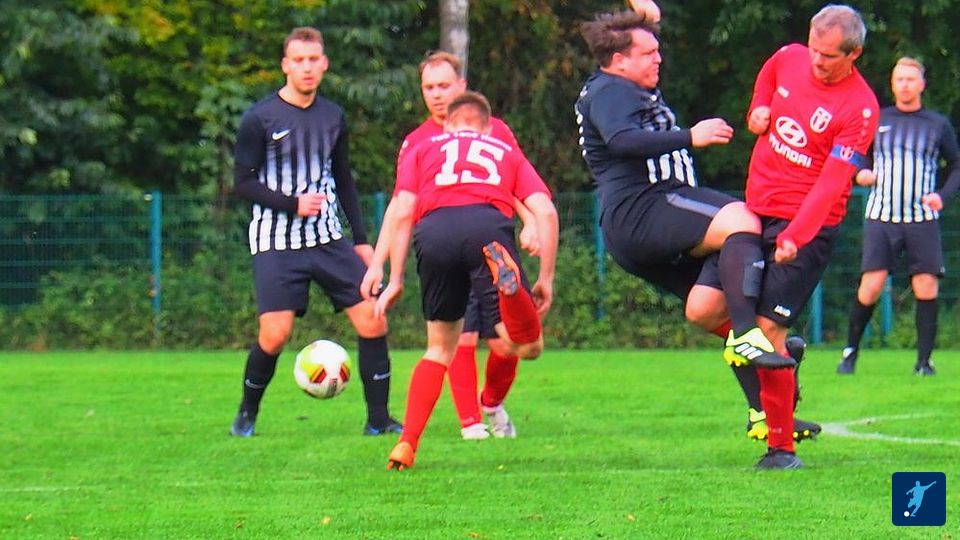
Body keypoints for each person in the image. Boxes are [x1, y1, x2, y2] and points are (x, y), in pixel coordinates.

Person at [576, 10, 812, 448]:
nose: (658, 58)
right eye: (648, 53)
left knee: (709, 308)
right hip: (646, 206)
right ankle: (749, 337)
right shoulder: (610, 89)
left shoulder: (623, 82)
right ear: (618, 60)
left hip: (642, 221)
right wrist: (690, 136)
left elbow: (645, 19)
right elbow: (621, 140)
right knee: (743, 219)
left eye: (657, 50)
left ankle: (763, 411)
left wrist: (642, 18)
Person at [693, 4, 879, 468]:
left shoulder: (860, 108)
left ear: (853, 54)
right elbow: (771, 73)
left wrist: (797, 234)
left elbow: (833, 183)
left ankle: (782, 450)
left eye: (828, 56)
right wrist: (758, 107)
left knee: (765, 331)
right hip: (753, 214)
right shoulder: (790, 56)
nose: (816, 61)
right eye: (814, 49)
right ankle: (780, 363)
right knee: (702, 309)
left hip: (805, 230)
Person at [361, 91, 559, 470]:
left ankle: (407, 443)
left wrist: (394, 276)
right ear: (488, 127)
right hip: (487, 227)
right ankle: (511, 292)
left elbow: (402, 210)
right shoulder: (504, 149)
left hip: (434, 231)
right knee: (528, 345)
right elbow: (546, 212)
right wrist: (546, 278)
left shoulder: (423, 148)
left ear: (448, 126)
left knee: (438, 348)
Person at [229, 27, 400, 438]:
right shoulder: (259, 118)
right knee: (275, 335)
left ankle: (378, 421)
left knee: (372, 319)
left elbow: (344, 180)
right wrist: (292, 204)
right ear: (285, 66)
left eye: (313, 60)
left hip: (327, 239)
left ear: (323, 64)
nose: (306, 67)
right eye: (298, 60)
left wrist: (361, 241)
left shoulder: (333, 117)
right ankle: (246, 416)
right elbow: (242, 183)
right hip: (275, 242)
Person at [396, 51, 541, 440]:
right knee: (461, 335)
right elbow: (403, 203)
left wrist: (529, 221)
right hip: (455, 241)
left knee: (503, 344)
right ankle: (470, 422)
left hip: (480, 242)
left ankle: (491, 402)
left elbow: (511, 183)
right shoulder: (416, 142)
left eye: (444, 85)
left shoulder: (493, 129)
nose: (436, 94)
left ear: (461, 86)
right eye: (429, 87)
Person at [837, 57, 959, 376]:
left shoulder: (937, 124)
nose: (905, 85)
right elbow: (857, 155)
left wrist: (942, 196)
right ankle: (849, 353)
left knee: (926, 285)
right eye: (899, 79)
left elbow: (956, 165)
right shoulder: (878, 119)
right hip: (882, 216)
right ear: (892, 84)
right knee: (872, 285)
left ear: (922, 84)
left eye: (910, 79)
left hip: (921, 217)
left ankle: (924, 362)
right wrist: (861, 173)